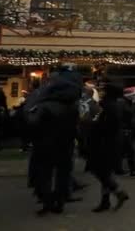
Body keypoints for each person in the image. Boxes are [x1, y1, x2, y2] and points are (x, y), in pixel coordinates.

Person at [31, 72, 82, 215]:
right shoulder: (72, 105)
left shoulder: (45, 105)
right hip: (66, 144)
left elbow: (34, 124)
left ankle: (47, 203)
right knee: (63, 174)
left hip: (46, 144)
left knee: (45, 174)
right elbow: (76, 126)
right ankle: (60, 203)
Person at [88, 81, 129, 213]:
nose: (101, 93)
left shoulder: (108, 106)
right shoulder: (114, 105)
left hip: (105, 143)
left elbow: (106, 126)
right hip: (111, 143)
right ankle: (105, 200)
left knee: (99, 171)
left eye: (103, 90)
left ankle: (118, 191)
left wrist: (93, 124)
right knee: (105, 172)